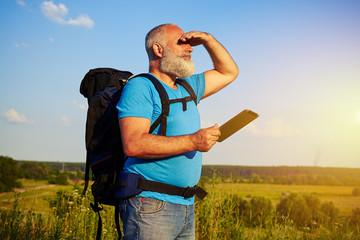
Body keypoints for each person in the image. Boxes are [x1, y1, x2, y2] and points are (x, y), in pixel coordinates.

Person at [116, 23, 239, 240]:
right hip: (150, 206)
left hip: (185, 206)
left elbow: (228, 71)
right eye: (181, 42)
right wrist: (193, 142)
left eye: (190, 43)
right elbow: (133, 144)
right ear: (158, 49)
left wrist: (209, 40)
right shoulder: (141, 87)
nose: (190, 48)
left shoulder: (188, 87)